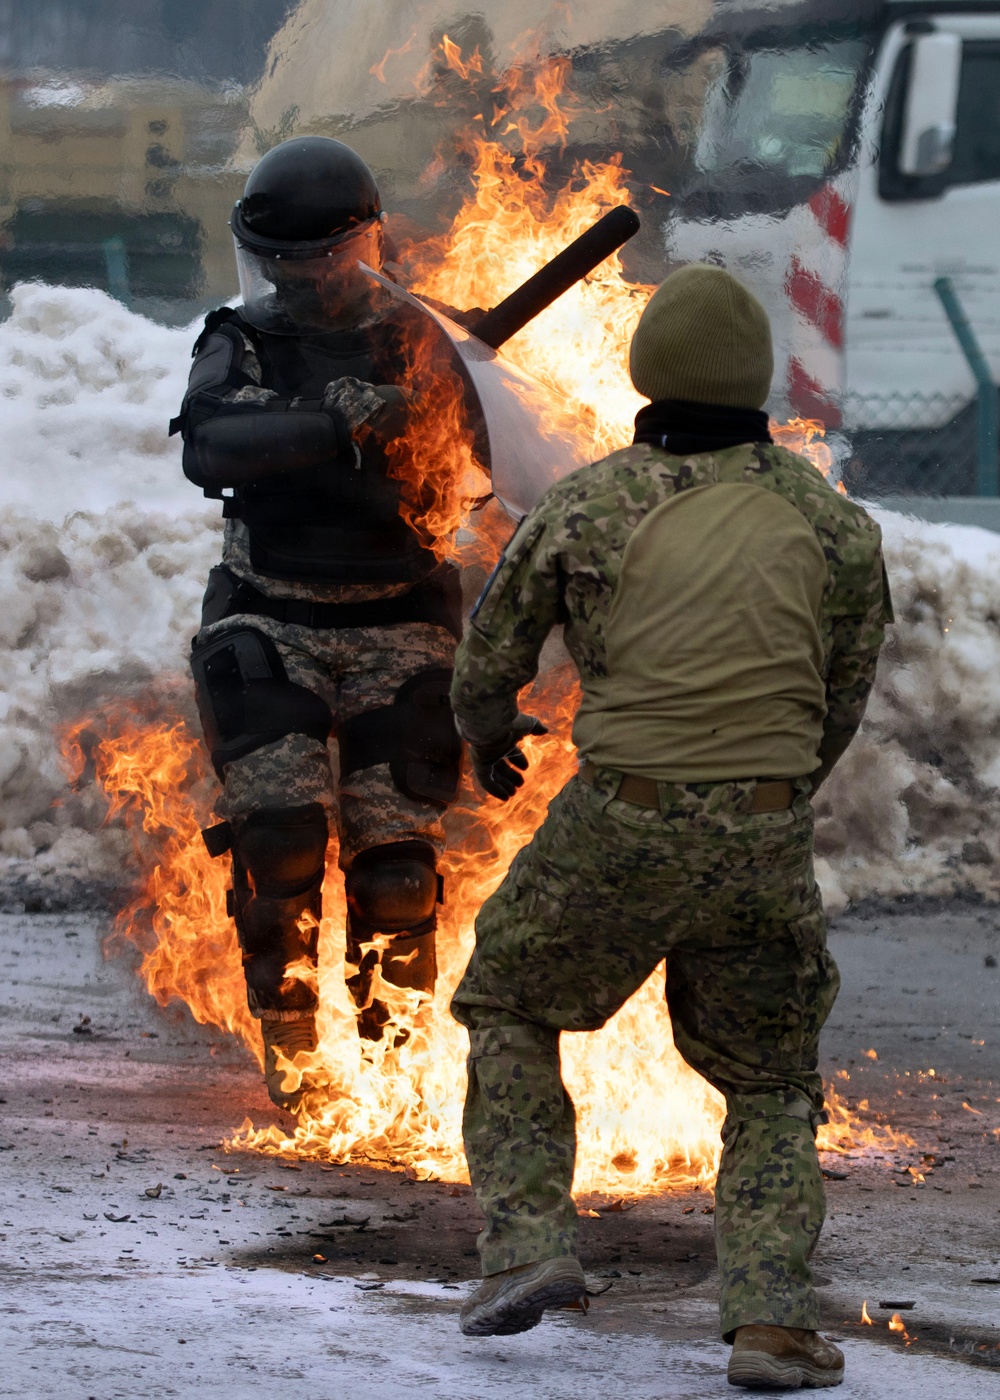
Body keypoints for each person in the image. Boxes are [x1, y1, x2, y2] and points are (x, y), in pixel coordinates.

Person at [448, 264, 892, 1388]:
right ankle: (772, 1323)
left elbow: (489, 653)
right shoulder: (832, 526)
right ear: (756, 383)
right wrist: (758, 798)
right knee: (771, 1076)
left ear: (647, 377)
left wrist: (488, 732)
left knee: (507, 997)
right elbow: (836, 701)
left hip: (618, 818)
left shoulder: (587, 503)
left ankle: (528, 1250)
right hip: (761, 834)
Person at [171, 137, 470, 1107]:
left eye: (323, 261)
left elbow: (489, 447)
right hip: (272, 617)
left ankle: (392, 1079)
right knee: (280, 850)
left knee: (395, 875)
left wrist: (416, 411)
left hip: (400, 624)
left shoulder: (425, 339)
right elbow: (209, 439)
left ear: (365, 245)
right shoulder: (241, 338)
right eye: (283, 266)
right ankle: (296, 1064)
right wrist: (334, 424)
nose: (304, 283)